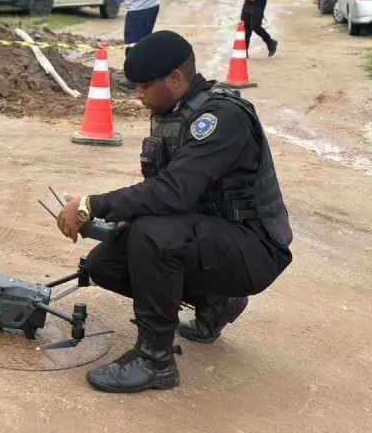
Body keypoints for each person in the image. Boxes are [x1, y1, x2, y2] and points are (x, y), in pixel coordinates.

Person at [56, 30, 293, 394]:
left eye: (144, 86)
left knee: (152, 235)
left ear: (176, 79)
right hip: (213, 237)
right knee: (105, 263)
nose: (138, 95)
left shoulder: (220, 117)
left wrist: (91, 205)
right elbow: (165, 189)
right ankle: (216, 302)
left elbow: (173, 192)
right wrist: (124, 216)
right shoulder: (173, 111)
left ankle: (155, 361)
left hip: (254, 248)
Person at [110, 0, 161, 89]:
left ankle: (132, 79)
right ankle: (144, 76)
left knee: (132, 43)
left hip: (140, 8)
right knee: (143, 42)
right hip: (149, 5)